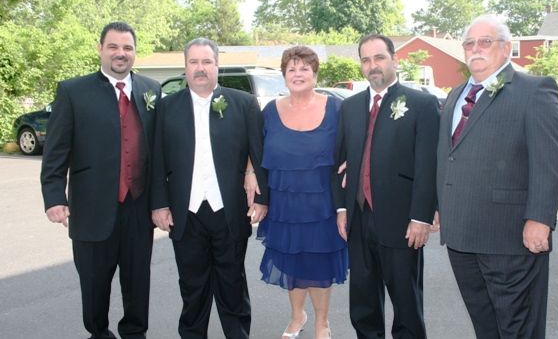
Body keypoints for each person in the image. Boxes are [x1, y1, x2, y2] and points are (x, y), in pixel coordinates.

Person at [436, 15, 558, 339]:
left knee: (518, 328)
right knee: (485, 326)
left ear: (506, 48)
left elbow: (550, 162)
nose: (475, 49)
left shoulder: (534, 90)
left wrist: (540, 219)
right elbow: (449, 156)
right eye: (469, 43)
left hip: (510, 239)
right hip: (461, 239)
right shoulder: (454, 95)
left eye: (485, 41)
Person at [40, 22, 161, 339]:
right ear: (100, 49)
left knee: (138, 282)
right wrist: (54, 197)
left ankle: (135, 333)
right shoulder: (73, 91)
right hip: (92, 207)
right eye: (113, 47)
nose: (121, 53)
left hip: (138, 207)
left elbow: (161, 150)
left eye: (127, 47)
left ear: (134, 52)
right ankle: (98, 333)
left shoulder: (152, 90)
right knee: (94, 285)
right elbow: (56, 152)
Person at [150, 37, 269, 339]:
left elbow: (258, 153)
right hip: (185, 213)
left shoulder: (243, 103)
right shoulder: (166, 107)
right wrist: (159, 204)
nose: (200, 68)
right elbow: (157, 159)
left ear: (217, 65)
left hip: (229, 210)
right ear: (185, 66)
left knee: (233, 286)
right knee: (192, 289)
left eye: (206, 61)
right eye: (193, 62)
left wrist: (261, 198)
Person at [331, 34, 440, 338]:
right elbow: (338, 162)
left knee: (406, 304)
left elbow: (428, 165)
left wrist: (421, 217)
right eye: (366, 60)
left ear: (394, 59)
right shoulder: (350, 107)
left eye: (379, 57)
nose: (372, 65)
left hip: (402, 220)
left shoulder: (421, 104)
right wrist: (341, 208)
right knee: (363, 304)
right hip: (358, 217)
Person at [251, 46, 348, 339]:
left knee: (319, 261)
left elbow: (354, 144)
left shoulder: (337, 108)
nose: (298, 74)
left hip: (323, 202)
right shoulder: (270, 110)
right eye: (291, 69)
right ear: (284, 75)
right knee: (291, 258)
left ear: (315, 74)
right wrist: (249, 173)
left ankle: (322, 323)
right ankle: (297, 317)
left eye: (304, 68)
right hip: (284, 201)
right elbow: (253, 147)